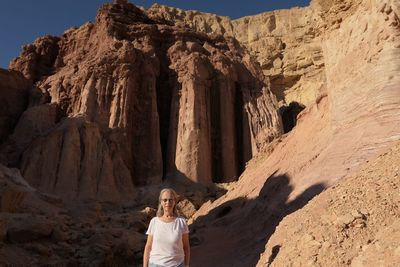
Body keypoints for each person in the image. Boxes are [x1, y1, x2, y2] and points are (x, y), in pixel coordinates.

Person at [143, 188, 190, 267]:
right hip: (155, 264)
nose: (167, 202)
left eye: (170, 200)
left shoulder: (181, 222)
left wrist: (187, 265)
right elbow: (148, 246)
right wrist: (145, 266)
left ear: (174, 201)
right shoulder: (154, 222)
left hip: (177, 264)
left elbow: (186, 246)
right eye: (165, 200)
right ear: (161, 202)